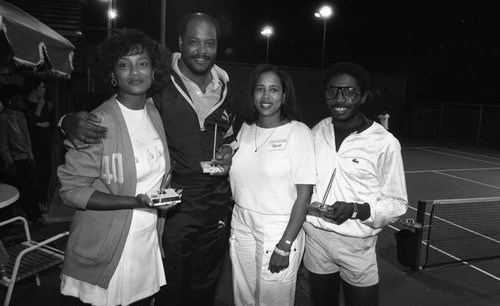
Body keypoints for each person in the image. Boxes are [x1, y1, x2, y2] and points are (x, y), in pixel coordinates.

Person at [59, 13, 236, 306]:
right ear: (180, 43)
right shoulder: (150, 95)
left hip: (164, 226)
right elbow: (75, 182)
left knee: (197, 283)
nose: (136, 72)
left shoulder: (219, 91)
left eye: (210, 43)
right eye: (194, 42)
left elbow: (230, 131)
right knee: (169, 288)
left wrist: (228, 150)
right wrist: (67, 121)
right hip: (132, 231)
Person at [57, 29, 172, 306]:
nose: (134, 72)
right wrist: (134, 201)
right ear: (112, 74)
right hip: (106, 249)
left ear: (154, 72)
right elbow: (71, 191)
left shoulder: (154, 112)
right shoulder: (98, 122)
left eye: (142, 63)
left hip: (145, 243)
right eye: (124, 64)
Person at [303, 62, 408, 306]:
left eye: (349, 92)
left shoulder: (384, 143)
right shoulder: (317, 131)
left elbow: (398, 203)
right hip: (315, 240)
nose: (339, 99)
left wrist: (355, 209)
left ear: (363, 97)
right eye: (333, 91)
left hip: (357, 246)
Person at [228, 64, 315, 305]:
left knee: (272, 299)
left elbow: (304, 195)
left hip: (278, 226)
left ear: (284, 96)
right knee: (243, 294)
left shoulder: (298, 133)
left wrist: (285, 244)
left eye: (274, 90)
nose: (266, 97)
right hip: (241, 220)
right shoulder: (245, 128)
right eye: (260, 89)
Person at [0, 84, 48, 225]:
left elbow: (26, 138)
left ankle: (34, 216)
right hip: (14, 160)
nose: (22, 103)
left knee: (31, 189)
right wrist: (9, 162)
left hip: (26, 158)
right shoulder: (4, 118)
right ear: (10, 101)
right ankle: (8, 225)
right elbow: (3, 143)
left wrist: (30, 156)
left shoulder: (21, 115)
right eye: (18, 100)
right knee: (14, 191)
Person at [22, 75, 55, 213]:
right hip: (30, 146)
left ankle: (42, 203)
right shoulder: (24, 105)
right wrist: (39, 110)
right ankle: (32, 208)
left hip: (45, 145)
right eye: (41, 87)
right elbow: (29, 127)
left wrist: (39, 124)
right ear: (34, 89)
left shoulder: (48, 104)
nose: (44, 90)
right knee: (32, 178)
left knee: (45, 174)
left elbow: (52, 124)